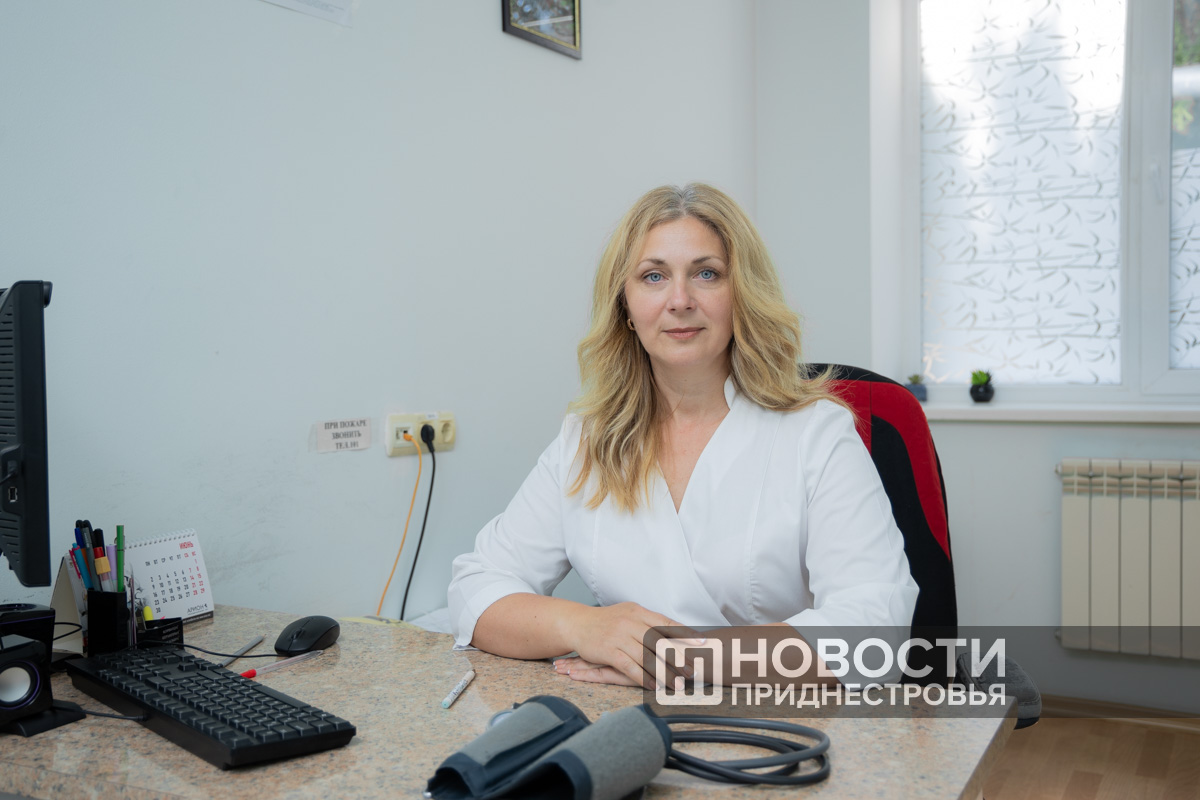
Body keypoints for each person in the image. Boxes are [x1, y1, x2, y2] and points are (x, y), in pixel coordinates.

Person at [448, 183, 917, 689]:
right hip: (626, 720)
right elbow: (477, 587)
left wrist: (676, 660)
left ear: (742, 295)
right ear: (625, 306)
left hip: (780, 718)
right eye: (653, 276)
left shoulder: (816, 434)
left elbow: (875, 627)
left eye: (706, 274)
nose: (680, 300)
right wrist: (583, 626)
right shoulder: (586, 439)